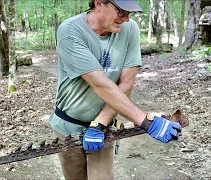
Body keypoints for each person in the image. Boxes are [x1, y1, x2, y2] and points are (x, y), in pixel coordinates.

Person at [47, 0, 182, 179]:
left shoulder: (129, 29)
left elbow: (125, 84)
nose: (126, 18)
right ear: (98, 3)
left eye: (129, 13)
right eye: (121, 11)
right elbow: (99, 84)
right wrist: (147, 121)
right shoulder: (70, 31)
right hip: (67, 128)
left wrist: (100, 123)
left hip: (104, 128)